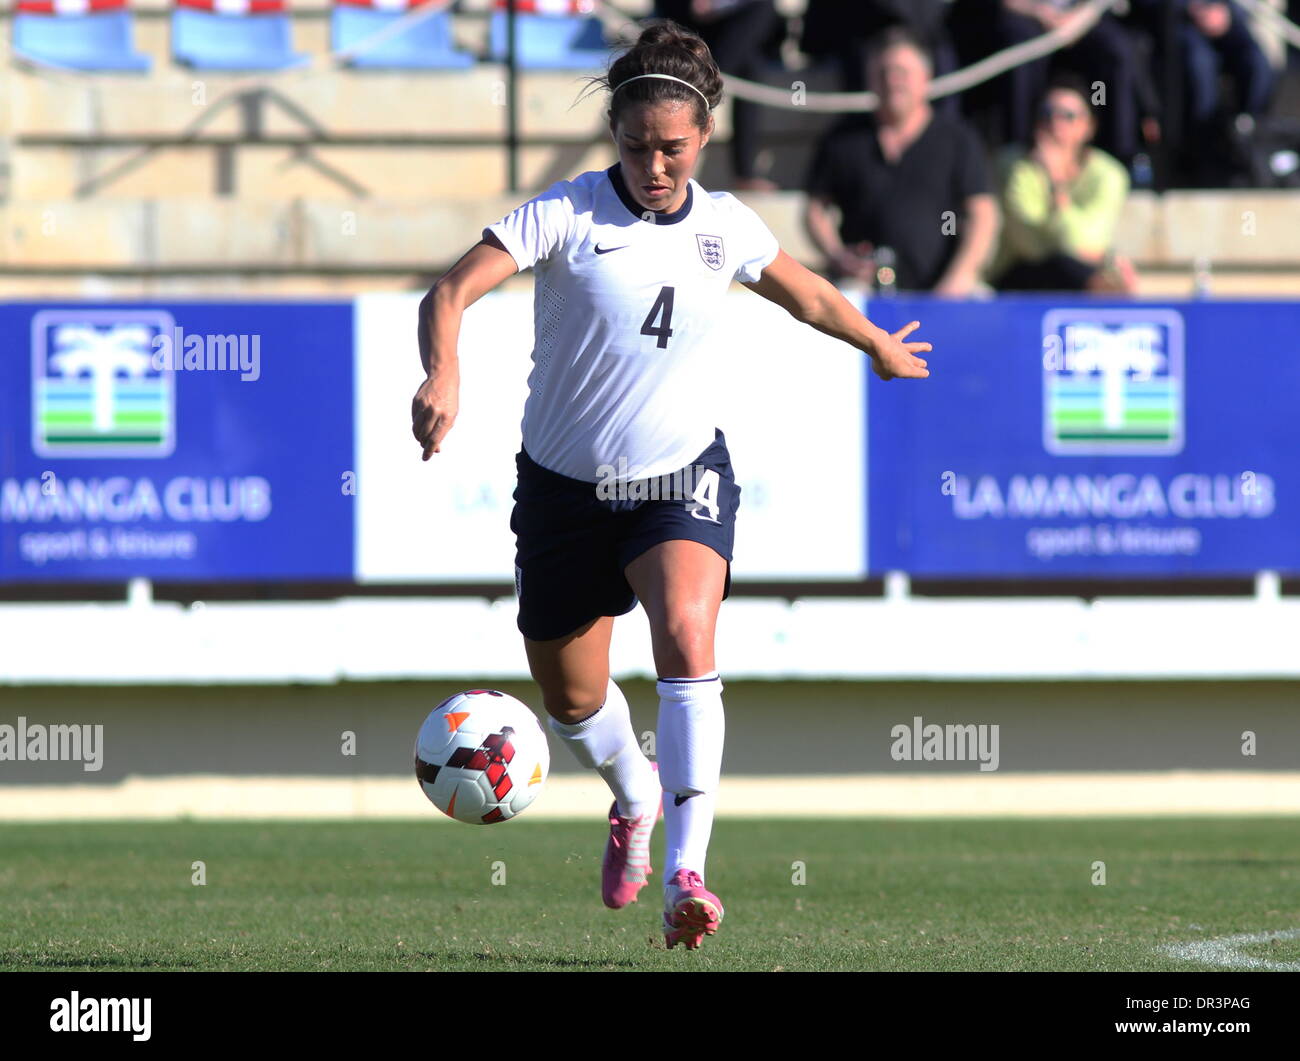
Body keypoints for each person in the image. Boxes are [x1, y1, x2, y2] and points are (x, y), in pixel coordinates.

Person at [410, 20, 932, 950]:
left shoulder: (725, 227)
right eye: (638, 144)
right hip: (563, 491)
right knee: (570, 698)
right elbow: (448, 293)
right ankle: (635, 794)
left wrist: (878, 342)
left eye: (675, 148)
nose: (656, 165)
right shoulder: (566, 215)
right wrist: (444, 373)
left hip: (679, 477)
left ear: (705, 136)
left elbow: (806, 292)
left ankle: (688, 872)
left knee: (688, 635)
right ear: (614, 131)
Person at [803, 26, 997, 295]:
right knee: (840, 299)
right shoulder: (843, 138)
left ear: (926, 78)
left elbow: (983, 215)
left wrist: (959, 277)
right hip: (864, 288)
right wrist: (838, 255)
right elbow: (815, 210)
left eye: (902, 72)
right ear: (869, 79)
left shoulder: (958, 140)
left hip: (944, 287)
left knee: (981, 302)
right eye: (883, 73)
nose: (892, 81)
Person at [993, 76, 1137, 292]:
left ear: (1089, 126)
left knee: (1116, 280)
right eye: (1047, 114)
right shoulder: (1013, 166)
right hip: (1016, 276)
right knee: (1067, 268)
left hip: (1079, 273)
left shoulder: (1109, 174)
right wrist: (1055, 179)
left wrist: (1055, 187)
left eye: (1068, 116)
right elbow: (1030, 247)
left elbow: (1087, 242)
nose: (1055, 124)